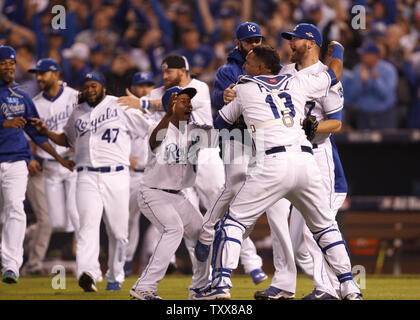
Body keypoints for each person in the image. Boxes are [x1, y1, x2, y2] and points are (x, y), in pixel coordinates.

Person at [193, 44, 362, 300]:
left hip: (272, 162)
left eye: (248, 61)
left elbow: (221, 124)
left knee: (233, 222)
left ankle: (221, 285)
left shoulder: (244, 87)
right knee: (326, 227)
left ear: (261, 67)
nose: (244, 65)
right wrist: (337, 50)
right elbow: (334, 74)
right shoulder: (296, 81)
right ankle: (350, 287)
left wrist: (238, 110)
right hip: (305, 161)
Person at [30, 71, 152, 292]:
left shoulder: (120, 105)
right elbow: (66, 139)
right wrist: (46, 131)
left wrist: (144, 107)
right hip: (85, 175)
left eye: (94, 85)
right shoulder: (77, 112)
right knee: (87, 226)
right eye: (86, 86)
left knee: (118, 231)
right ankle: (88, 273)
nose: (90, 90)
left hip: (116, 175)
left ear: (103, 87)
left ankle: (115, 275)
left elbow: (147, 129)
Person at [255, 23, 347, 300]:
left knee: (313, 230)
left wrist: (313, 127)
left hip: (320, 160)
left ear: (310, 43)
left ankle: (329, 289)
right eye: (289, 40)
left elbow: (336, 124)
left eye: (294, 40)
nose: (289, 44)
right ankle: (287, 286)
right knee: (291, 238)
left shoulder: (325, 76)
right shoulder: (285, 73)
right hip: (290, 158)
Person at [195, 21, 268, 286]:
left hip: (263, 139)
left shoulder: (270, 66)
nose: (253, 45)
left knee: (254, 207)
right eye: (249, 41)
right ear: (238, 43)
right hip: (235, 137)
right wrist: (225, 95)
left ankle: (265, 270)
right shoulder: (228, 70)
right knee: (234, 183)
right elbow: (219, 100)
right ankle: (206, 232)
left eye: (257, 40)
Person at [129, 86, 213, 300]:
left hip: (178, 195)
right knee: (173, 229)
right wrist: (167, 114)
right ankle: (143, 287)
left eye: (189, 101)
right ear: (170, 105)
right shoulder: (157, 128)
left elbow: (220, 133)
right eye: (182, 101)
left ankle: (199, 289)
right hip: (153, 193)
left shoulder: (194, 130)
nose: (189, 104)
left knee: (204, 233)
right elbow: (155, 139)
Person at [0, 45, 74, 284]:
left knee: (15, 208)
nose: (9, 67)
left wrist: (60, 157)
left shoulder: (21, 96)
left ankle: (11, 266)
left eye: (12, 64)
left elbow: (36, 132)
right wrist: (4, 124)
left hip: (16, 160)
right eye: (4, 63)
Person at [124, 71, 155, 276]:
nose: (145, 89)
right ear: (133, 88)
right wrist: (123, 156)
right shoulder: (125, 112)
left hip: (154, 174)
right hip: (133, 174)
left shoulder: (159, 110)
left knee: (163, 219)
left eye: (148, 85)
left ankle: (153, 262)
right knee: (129, 219)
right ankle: (126, 262)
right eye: (140, 85)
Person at [347, 41, 398, 130]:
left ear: (374, 56)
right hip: (364, 116)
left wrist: (376, 81)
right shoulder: (358, 70)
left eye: (365, 54)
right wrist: (362, 82)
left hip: (384, 115)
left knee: (388, 143)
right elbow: (352, 96)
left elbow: (386, 95)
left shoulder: (388, 69)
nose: (362, 57)